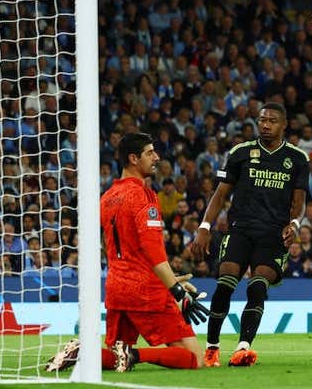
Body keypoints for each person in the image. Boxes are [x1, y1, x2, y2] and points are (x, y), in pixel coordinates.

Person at [46, 132, 209, 374]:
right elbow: (152, 250)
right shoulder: (143, 195)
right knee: (195, 357)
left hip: (116, 287)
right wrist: (175, 290)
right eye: (150, 153)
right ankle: (135, 355)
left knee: (115, 356)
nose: (157, 157)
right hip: (145, 290)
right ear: (134, 158)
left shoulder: (107, 197)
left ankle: (81, 352)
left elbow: (112, 246)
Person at [190, 102, 310, 367]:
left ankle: (243, 348)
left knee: (258, 285)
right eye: (262, 120)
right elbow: (220, 194)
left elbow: (299, 201)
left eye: (272, 121)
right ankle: (212, 348)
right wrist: (204, 227)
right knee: (226, 282)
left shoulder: (298, 159)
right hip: (240, 229)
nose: (265, 125)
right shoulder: (240, 153)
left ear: (284, 125)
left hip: (273, 234)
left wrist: (295, 224)